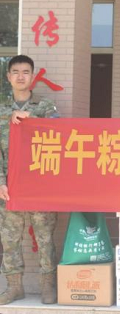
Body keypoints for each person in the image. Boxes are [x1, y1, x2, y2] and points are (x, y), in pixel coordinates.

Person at [0, 55, 59, 305]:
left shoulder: (45, 107)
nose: (20, 76)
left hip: (39, 185)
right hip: (10, 185)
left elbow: (59, 135)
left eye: (25, 72)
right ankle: (15, 287)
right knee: (10, 239)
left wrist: (31, 121)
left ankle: (48, 286)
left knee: (45, 237)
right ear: (8, 77)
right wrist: (0, 180)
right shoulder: (1, 109)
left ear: (33, 76)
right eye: (15, 72)